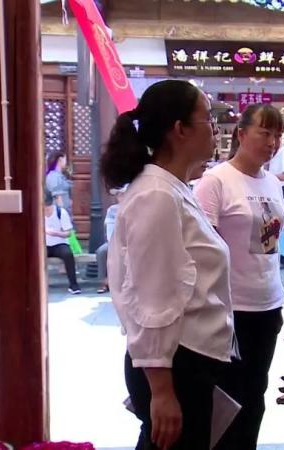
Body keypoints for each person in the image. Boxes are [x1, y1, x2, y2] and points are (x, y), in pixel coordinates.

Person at [100, 79, 237, 450]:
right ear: (180, 129)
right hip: (176, 365)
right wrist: (161, 391)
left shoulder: (173, 188)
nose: (215, 130)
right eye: (208, 119)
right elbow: (152, 297)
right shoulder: (157, 194)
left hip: (188, 360)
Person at [194, 103, 284, 450]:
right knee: (228, 399)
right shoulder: (215, 181)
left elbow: (272, 246)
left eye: (277, 135)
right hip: (229, 311)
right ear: (242, 134)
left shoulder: (273, 183)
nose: (272, 142)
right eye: (264, 133)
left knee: (255, 395)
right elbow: (200, 250)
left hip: (268, 306)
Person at [44, 190, 81, 295]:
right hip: (44, 245)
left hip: (59, 244)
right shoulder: (36, 212)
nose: (46, 210)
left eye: (47, 208)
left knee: (68, 254)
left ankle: (73, 285)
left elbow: (68, 233)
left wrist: (55, 233)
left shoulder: (61, 212)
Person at [267, 141, 284, 268]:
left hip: (282, 190)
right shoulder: (275, 155)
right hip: (274, 190)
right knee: (274, 224)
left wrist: (268, 176)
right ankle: (278, 255)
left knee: (282, 225)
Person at [94, 187, 123, 295]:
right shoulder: (112, 210)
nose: (121, 197)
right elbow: (109, 228)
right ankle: (104, 281)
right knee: (101, 251)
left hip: (131, 241)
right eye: (119, 195)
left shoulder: (134, 208)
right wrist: (113, 242)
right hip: (114, 240)